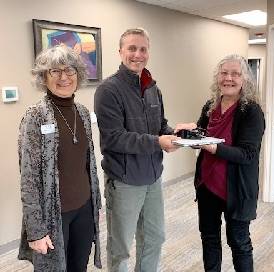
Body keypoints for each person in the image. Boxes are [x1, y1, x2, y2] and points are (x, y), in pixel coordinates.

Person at [94, 28, 194, 272]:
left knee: (154, 238)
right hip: (125, 180)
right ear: (120, 52)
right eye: (131, 48)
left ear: (148, 52)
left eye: (143, 49)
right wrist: (158, 142)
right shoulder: (108, 90)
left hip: (153, 178)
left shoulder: (152, 88)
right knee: (121, 248)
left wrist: (177, 134)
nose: (137, 54)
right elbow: (114, 138)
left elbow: (160, 127)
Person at [18, 45, 102, 271]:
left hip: (84, 209)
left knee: (79, 267)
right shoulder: (35, 116)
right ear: (44, 77)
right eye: (55, 71)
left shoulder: (83, 112)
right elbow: (29, 177)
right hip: (53, 215)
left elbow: (88, 165)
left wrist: (96, 206)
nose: (64, 77)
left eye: (70, 70)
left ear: (78, 74)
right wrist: (36, 230)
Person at [177, 54, 265, 271]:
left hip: (237, 188)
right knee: (209, 238)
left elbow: (248, 155)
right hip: (207, 184)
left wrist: (212, 147)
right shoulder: (210, 106)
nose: (229, 78)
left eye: (235, 74)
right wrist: (190, 134)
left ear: (245, 80)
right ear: (218, 77)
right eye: (224, 73)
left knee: (239, 242)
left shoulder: (251, 111)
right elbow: (201, 136)